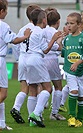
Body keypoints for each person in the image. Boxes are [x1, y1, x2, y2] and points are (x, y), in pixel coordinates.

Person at [26, 8, 62, 127]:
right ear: (44, 20)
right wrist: (54, 39)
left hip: (27, 59)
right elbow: (46, 50)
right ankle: (36, 113)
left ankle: (32, 120)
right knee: (48, 88)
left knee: (32, 89)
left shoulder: (32, 30)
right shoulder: (41, 32)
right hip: (37, 59)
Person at [0, 0, 31, 130]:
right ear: (2, 11)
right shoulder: (3, 25)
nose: (7, 13)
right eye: (6, 10)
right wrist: (26, 36)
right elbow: (14, 40)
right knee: (3, 93)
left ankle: (1, 123)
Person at [10, 4, 41, 124]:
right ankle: (32, 116)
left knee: (24, 88)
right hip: (33, 59)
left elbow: (15, 44)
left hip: (23, 58)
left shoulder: (23, 28)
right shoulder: (38, 29)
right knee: (35, 88)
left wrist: (18, 58)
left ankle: (16, 108)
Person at [61, 12, 83, 127]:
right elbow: (64, 53)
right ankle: (71, 117)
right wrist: (59, 43)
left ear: (79, 25)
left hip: (82, 71)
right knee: (73, 91)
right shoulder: (67, 39)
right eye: (67, 23)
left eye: (72, 23)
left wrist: (78, 62)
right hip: (70, 71)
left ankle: (80, 119)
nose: (69, 26)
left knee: (82, 96)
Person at [43, 10, 66, 120]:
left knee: (41, 86)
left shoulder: (43, 30)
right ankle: (54, 113)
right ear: (58, 21)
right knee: (58, 86)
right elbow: (58, 47)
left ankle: (37, 111)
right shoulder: (55, 32)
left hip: (41, 59)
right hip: (51, 59)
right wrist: (61, 42)